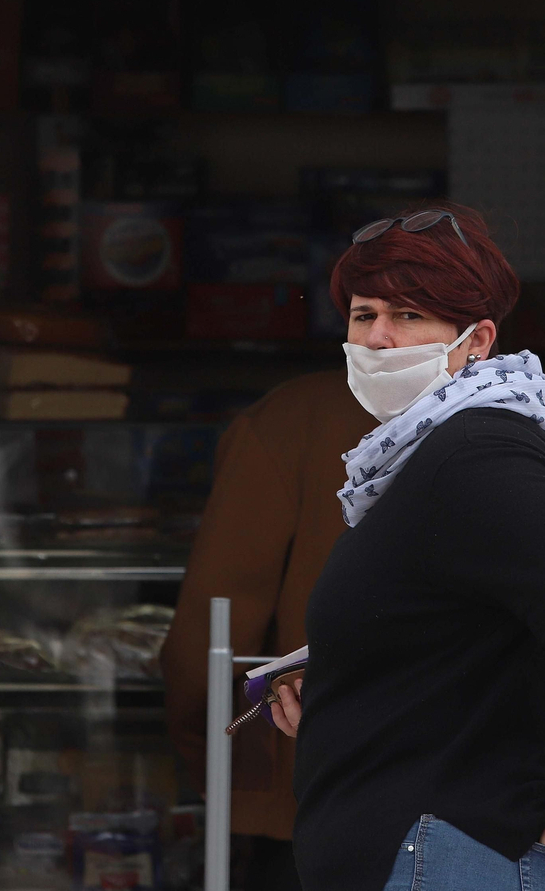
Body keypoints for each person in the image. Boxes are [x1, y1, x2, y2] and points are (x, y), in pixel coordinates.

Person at [268, 204, 545, 891]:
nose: (381, 338)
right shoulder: (424, 457)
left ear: (476, 341)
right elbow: (470, 651)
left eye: (410, 316)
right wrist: (348, 692)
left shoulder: (475, 453)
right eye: (364, 316)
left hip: (451, 857)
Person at [160, 364, 377, 891]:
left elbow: (217, 632)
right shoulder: (511, 410)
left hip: (307, 780)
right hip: (467, 790)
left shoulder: (291, 419)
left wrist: (213, 759)